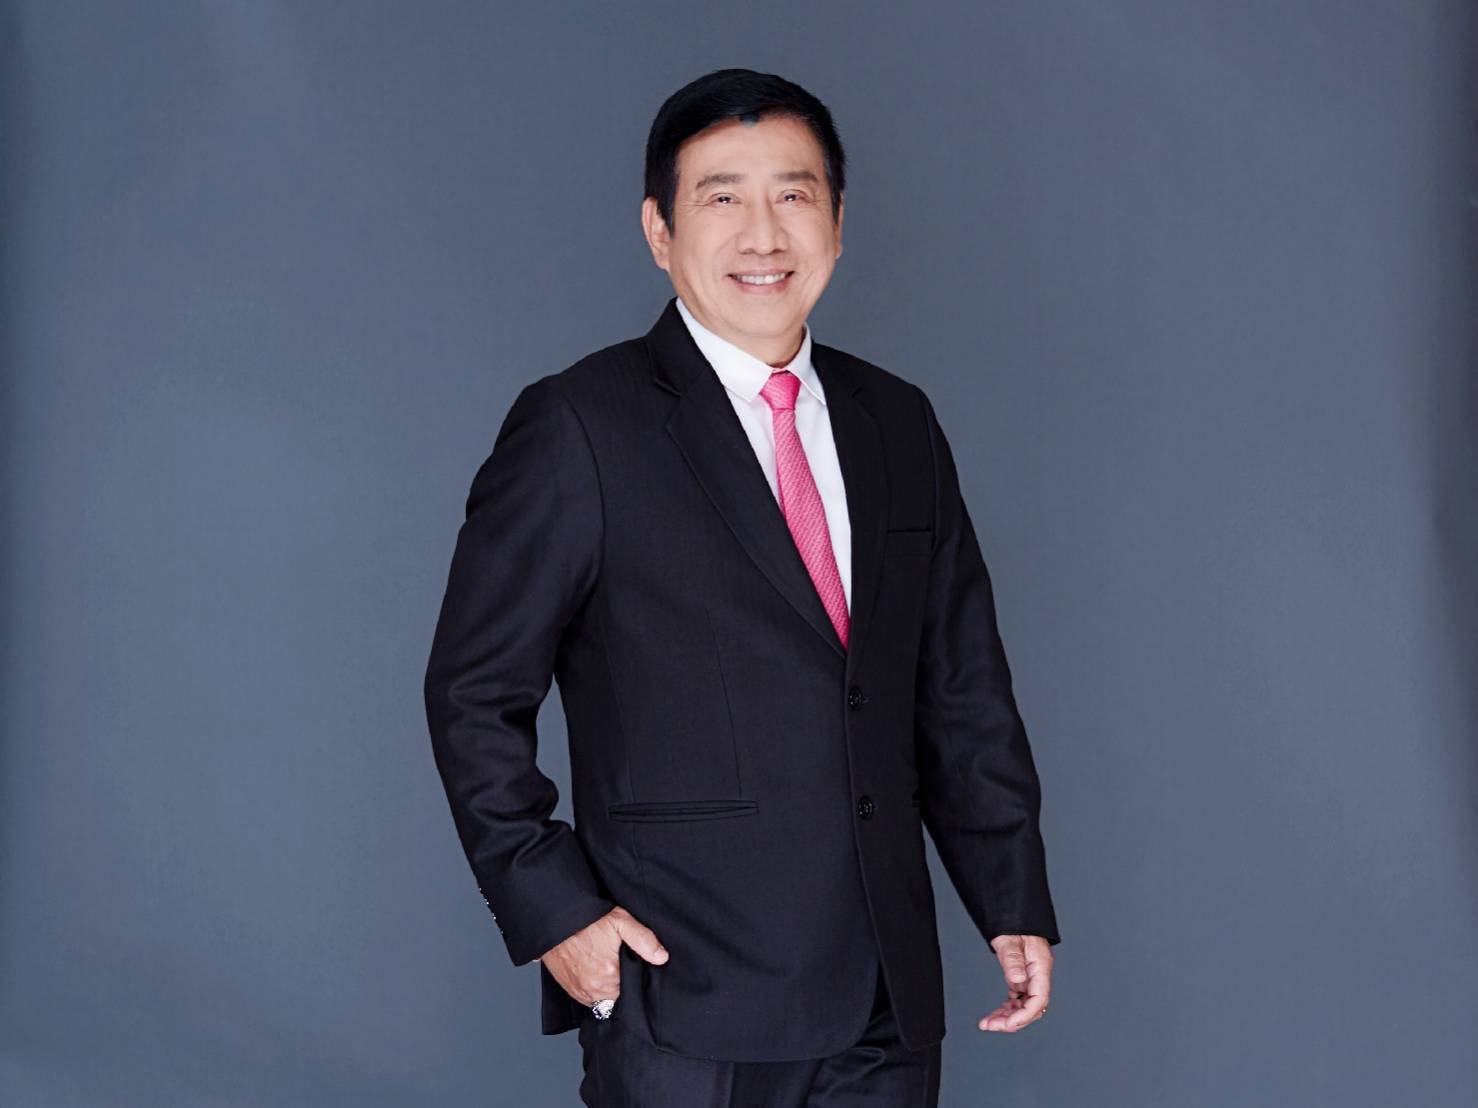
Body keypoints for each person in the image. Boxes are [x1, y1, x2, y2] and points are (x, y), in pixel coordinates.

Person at [423, 66, 1061, 1107]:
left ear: (836, 223)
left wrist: (1008, 894)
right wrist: (556, 913)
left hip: (884, 997)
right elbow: (470, 694)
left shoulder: (897, 421)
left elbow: (959, 685)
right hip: (684, 993)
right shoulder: (580, 426)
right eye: (722, 197)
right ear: (659, 229)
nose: (763, 234)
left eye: (793, 195)